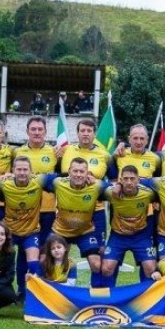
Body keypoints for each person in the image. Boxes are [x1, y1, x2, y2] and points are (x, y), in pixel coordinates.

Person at [59, 119, 112, 284]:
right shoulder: (66, 150)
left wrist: (96, 181)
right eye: (83, 130)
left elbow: (114, 182)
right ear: (78, 132)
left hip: (95, 212)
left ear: (94, 133)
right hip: (68, 211)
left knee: (100, 253)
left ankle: (97, 291)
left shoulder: (104, 155)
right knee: (59, 252)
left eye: (89, 131)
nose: (86, 134)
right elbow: (57, 177)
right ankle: (63, 287)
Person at [45, 157, 110, 287]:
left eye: (82, 171)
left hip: (85, 231)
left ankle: (96, 293)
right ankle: (49, 294)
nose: (78, 174)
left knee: (97, 264)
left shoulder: (97, 186)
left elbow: (116, 189)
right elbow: (35, 179)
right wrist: (10, 175)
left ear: (88, 174)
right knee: (44, 260)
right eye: (75, 171)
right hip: (60, 230)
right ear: (69, 171)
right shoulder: (58, 183)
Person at [13, 116, 59, 299]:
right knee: (23, 252)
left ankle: (41, 289)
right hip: (24, 210)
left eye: (40, 129)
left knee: (42, 251)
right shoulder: (17, 152)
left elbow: (63, 178)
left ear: (45, 132)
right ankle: (21, 290)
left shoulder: (55, 152)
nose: (37, 132)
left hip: (47, 210)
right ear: (27, 132)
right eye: (33, 129)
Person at [0, 156, 45, 292]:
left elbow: (60, 177)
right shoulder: (3, 183)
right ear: (13, 170)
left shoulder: (39, 181)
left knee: (33, 261)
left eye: (25, 169)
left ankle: (35, 294)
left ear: (31, 171)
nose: (22, 172)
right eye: (19, 169)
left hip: (31, 231)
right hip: (9, 232)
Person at [101, 165, 157, 286]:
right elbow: (97, 188)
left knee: (150, 268)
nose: (129, 182)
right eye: (125, 179)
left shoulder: (148, 193)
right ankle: (109, 298)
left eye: (132, 178)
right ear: (120, 180)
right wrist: (117, 186)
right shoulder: (110, 193)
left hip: (140, 235)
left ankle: (145, 298)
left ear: (138, 180)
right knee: (106, 268)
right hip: (118, 235)